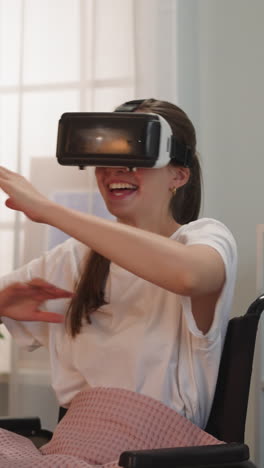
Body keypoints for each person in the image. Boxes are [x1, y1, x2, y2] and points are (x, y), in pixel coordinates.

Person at [0, 99, 237, 467]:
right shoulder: (75, 257)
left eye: (133, 160)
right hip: (69, 450)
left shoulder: (204, 238)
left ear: (179, 175)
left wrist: (47, 210)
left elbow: (192, 275)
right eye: (105, 162)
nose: (114, 173)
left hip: (151, 457)